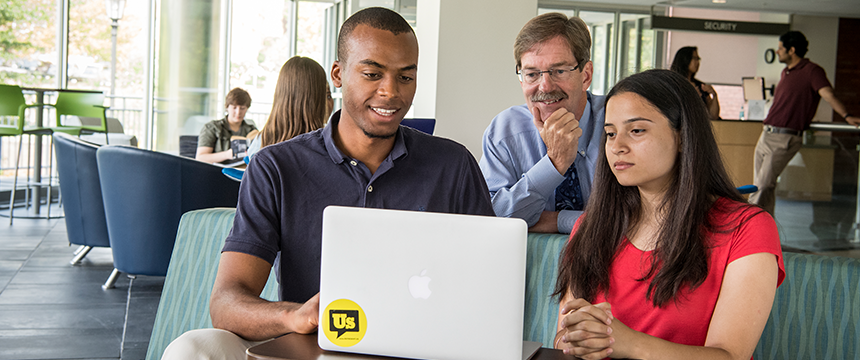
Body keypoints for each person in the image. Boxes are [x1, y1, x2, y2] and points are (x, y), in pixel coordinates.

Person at [161, 7, 494, 360]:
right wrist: (297, 314)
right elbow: (227, 303)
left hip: (422, 348)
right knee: (192, 349)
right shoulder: (275, 167)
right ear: (338, 74)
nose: (391, 92)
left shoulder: (453, 165)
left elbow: (489, 283)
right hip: (312, 348)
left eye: (406, 78)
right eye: (372, 74)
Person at [552, 69, 784, 360]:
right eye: (610, 133)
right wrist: (575, 338)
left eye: (636, 130)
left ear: (684, 137)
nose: (617, 146)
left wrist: (626, 343)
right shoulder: (592, 226)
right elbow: (563, 339)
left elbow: (730, 356)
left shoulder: (747, 228)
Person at [479, 13, 605, 234]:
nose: (545, 87)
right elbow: (488, 219)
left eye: (559, 71)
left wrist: (555, 220)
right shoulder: (504, 131)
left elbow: (640, 219)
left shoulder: (615, 123)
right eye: (532, 74)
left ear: (586, 75)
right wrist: (554, 164)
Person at [750, 31, 860, 214]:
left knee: (763, 185)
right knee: (759, 186)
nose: (777, 52)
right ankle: (763, 230)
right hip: (766, 135)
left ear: (791, 50)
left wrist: (847, 115)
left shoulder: (812, 71)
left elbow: (828, 95)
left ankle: (748, 226)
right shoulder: (786, 72)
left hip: (785, 139)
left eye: (780, 48)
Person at [246, 56, 334, 157]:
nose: (329, 104)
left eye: (329, 96)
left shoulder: (259, 143)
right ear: (312, 103)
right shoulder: (330, 148)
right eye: (326, 96)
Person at [195, 87, 258, 163]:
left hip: (243, 171)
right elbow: (200, 157)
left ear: (247, 109)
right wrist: (227, 155)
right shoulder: (212, 128)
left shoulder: (252, 130)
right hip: (217, 171)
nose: (238, 112)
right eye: (234, 108)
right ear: (227, 107)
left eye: (242, 108)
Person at [670, 46, 720, 119]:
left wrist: (714, 95)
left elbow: (713, 116)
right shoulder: (673, 84)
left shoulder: (701, 86)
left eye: (698, 59)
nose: (697, 62)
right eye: (695, 58)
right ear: (685, 59)